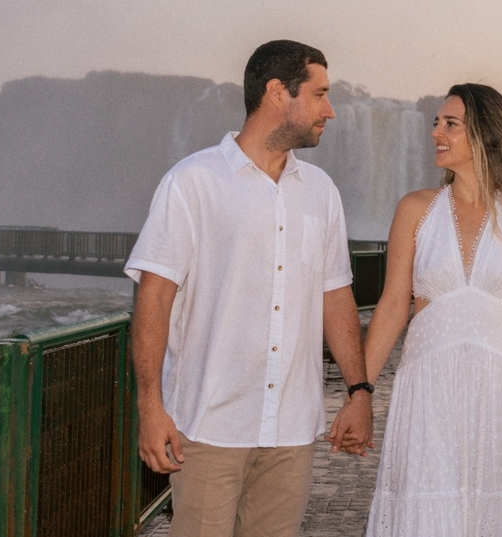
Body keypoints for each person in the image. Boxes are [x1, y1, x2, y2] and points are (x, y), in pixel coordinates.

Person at [127, 40, 374, 537]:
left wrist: (360, 392)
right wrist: (150, 407)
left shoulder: (321, 192)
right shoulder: (192, 182)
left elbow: (335, 296)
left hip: (292, 427)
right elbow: (154, 297)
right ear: (277, 92)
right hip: (209, 425)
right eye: (320, 94)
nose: (330, 111)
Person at [363, 83, 502, 537]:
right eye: (436, 123)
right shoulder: (415, 209)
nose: (436, 133)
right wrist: (358, 392)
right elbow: (392, 306)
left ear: (485, 134)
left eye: (450, 124)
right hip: (429, 393)